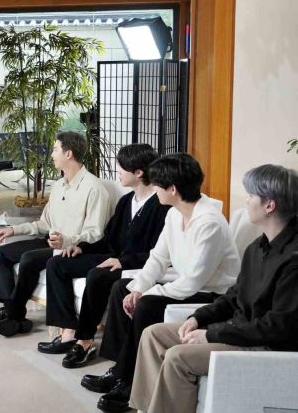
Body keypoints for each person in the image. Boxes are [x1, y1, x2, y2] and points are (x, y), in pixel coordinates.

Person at [130, 164, 298, 413]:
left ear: (269, 206)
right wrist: (198, 318)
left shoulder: (293, 260)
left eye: (251, 195)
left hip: (262, 344)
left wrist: (211, 334)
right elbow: (233, 296)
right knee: (153, 335)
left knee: (178, 357)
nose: (246, 201)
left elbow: (276, 327)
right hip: (237, 330)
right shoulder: (257, 247)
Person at [82, 153, 240, 413]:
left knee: (147, 304)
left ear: (173, 189)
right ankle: (121, 369)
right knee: (122, 288)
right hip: (187, 284)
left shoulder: (210, 222)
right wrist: (138, 288)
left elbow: (193, 281)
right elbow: (158, 258)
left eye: (157, 185)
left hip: (211, 294)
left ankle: (128, 381)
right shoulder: (174, 214)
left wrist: (147, 294)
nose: (154, 189)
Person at [38, 144, 171, 369]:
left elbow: (159, 252)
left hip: (136, 264)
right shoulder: (126, 201)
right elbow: (108, 238)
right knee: (57, 263)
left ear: (139, 172)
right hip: (113, 256)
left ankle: (85, 340)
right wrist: (82, 248)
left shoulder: (161, 206)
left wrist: (122, 261)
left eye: (122, 168)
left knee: (97, 275)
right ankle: (67, 332)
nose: (118, 172)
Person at [0, 131, 110, 337]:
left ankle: (13, 315)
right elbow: (44, 223)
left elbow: (95, 233)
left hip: (71, 248)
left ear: (68, 154)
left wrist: (67, 240)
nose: (51, 154)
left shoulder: (94, 188)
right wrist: (15, 229)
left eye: (55, 149)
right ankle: (12, 311)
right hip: (49, 241)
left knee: (29, 258)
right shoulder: (58, 186)